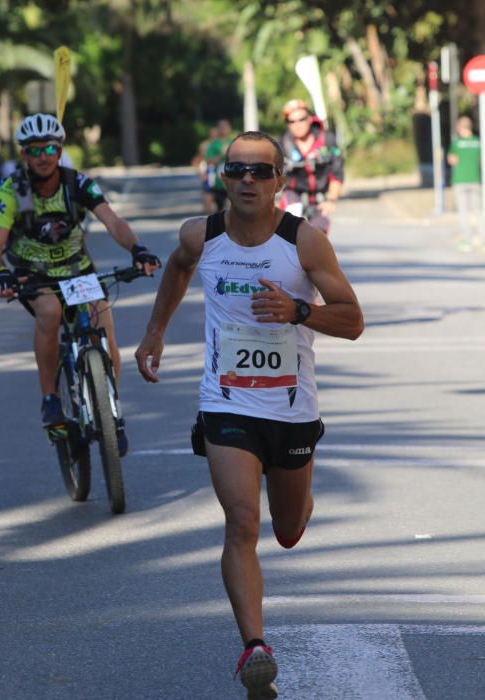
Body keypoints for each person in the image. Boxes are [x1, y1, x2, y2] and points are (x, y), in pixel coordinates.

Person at [135, 130, 363, 698]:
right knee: (241, 521)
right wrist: (155, 333)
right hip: (226, 401)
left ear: (281, 181)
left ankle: (298, 500)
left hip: (291, 408)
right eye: (237, 171)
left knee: (286, 530)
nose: (247, 181)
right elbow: (180, 269)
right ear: (223, 178)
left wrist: (298, 310)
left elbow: (352, 319)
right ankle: (255, 648)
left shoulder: (303, 244)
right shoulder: (201, 234)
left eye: (260, 172)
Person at [0, 112, 160, 454]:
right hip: (32, 273)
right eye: (34, 150)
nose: (42, 157)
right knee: (50, 313)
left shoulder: (76, 183)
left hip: (76, 269)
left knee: (102, 320)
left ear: (60, 150)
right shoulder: (11, 191)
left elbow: (112, 221)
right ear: (23, 154)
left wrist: (138, 249)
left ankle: (111, 409)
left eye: (49, 149)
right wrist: (1, 274)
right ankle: (50, 400)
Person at [279, 98, 344, 234]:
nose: (297, 125)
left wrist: (331, 199)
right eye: (292, 121)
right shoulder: (283, 144)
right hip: (293, 194)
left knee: (318, 234)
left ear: (310, 119)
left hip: (319, 197)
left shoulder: (326, 140)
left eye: (302, 119)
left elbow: (337, 172)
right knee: (290, 228)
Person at [447, 116, 484, 251]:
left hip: (460, 181)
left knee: (463, 212)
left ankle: (468, 242)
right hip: (475, 180)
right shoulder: (478, 142)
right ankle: (483, 240)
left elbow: (452, 160)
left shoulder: (457, 143)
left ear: (460, 128)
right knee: (478, 212)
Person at [204, 118, 233, 211]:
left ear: (230, 128)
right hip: (218, 183)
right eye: (221, 127)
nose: (223, 129)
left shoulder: (234, 142)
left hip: (233, 182)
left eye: (226, 126)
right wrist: (221, 154)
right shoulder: (214, 144)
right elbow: (209, 161)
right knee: (219, 210)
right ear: (218, 129)